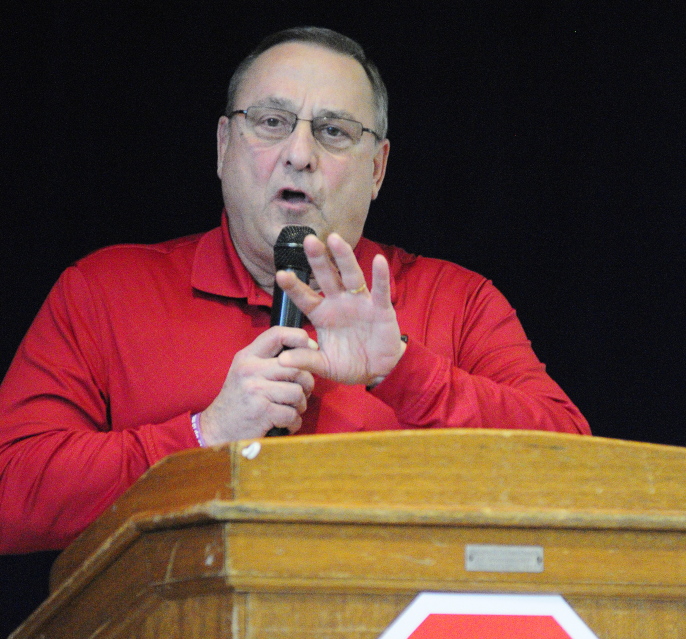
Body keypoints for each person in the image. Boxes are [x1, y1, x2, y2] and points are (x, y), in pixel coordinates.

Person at [0, 27, 590, 554]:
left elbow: (576, 471)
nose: (300, 155)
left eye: (334, 132)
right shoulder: (105, 292)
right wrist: (205, 436)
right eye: (272, 123)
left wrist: (406, 373)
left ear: (378, 169)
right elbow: (11, 490)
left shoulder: (458, 301)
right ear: (223, 146)